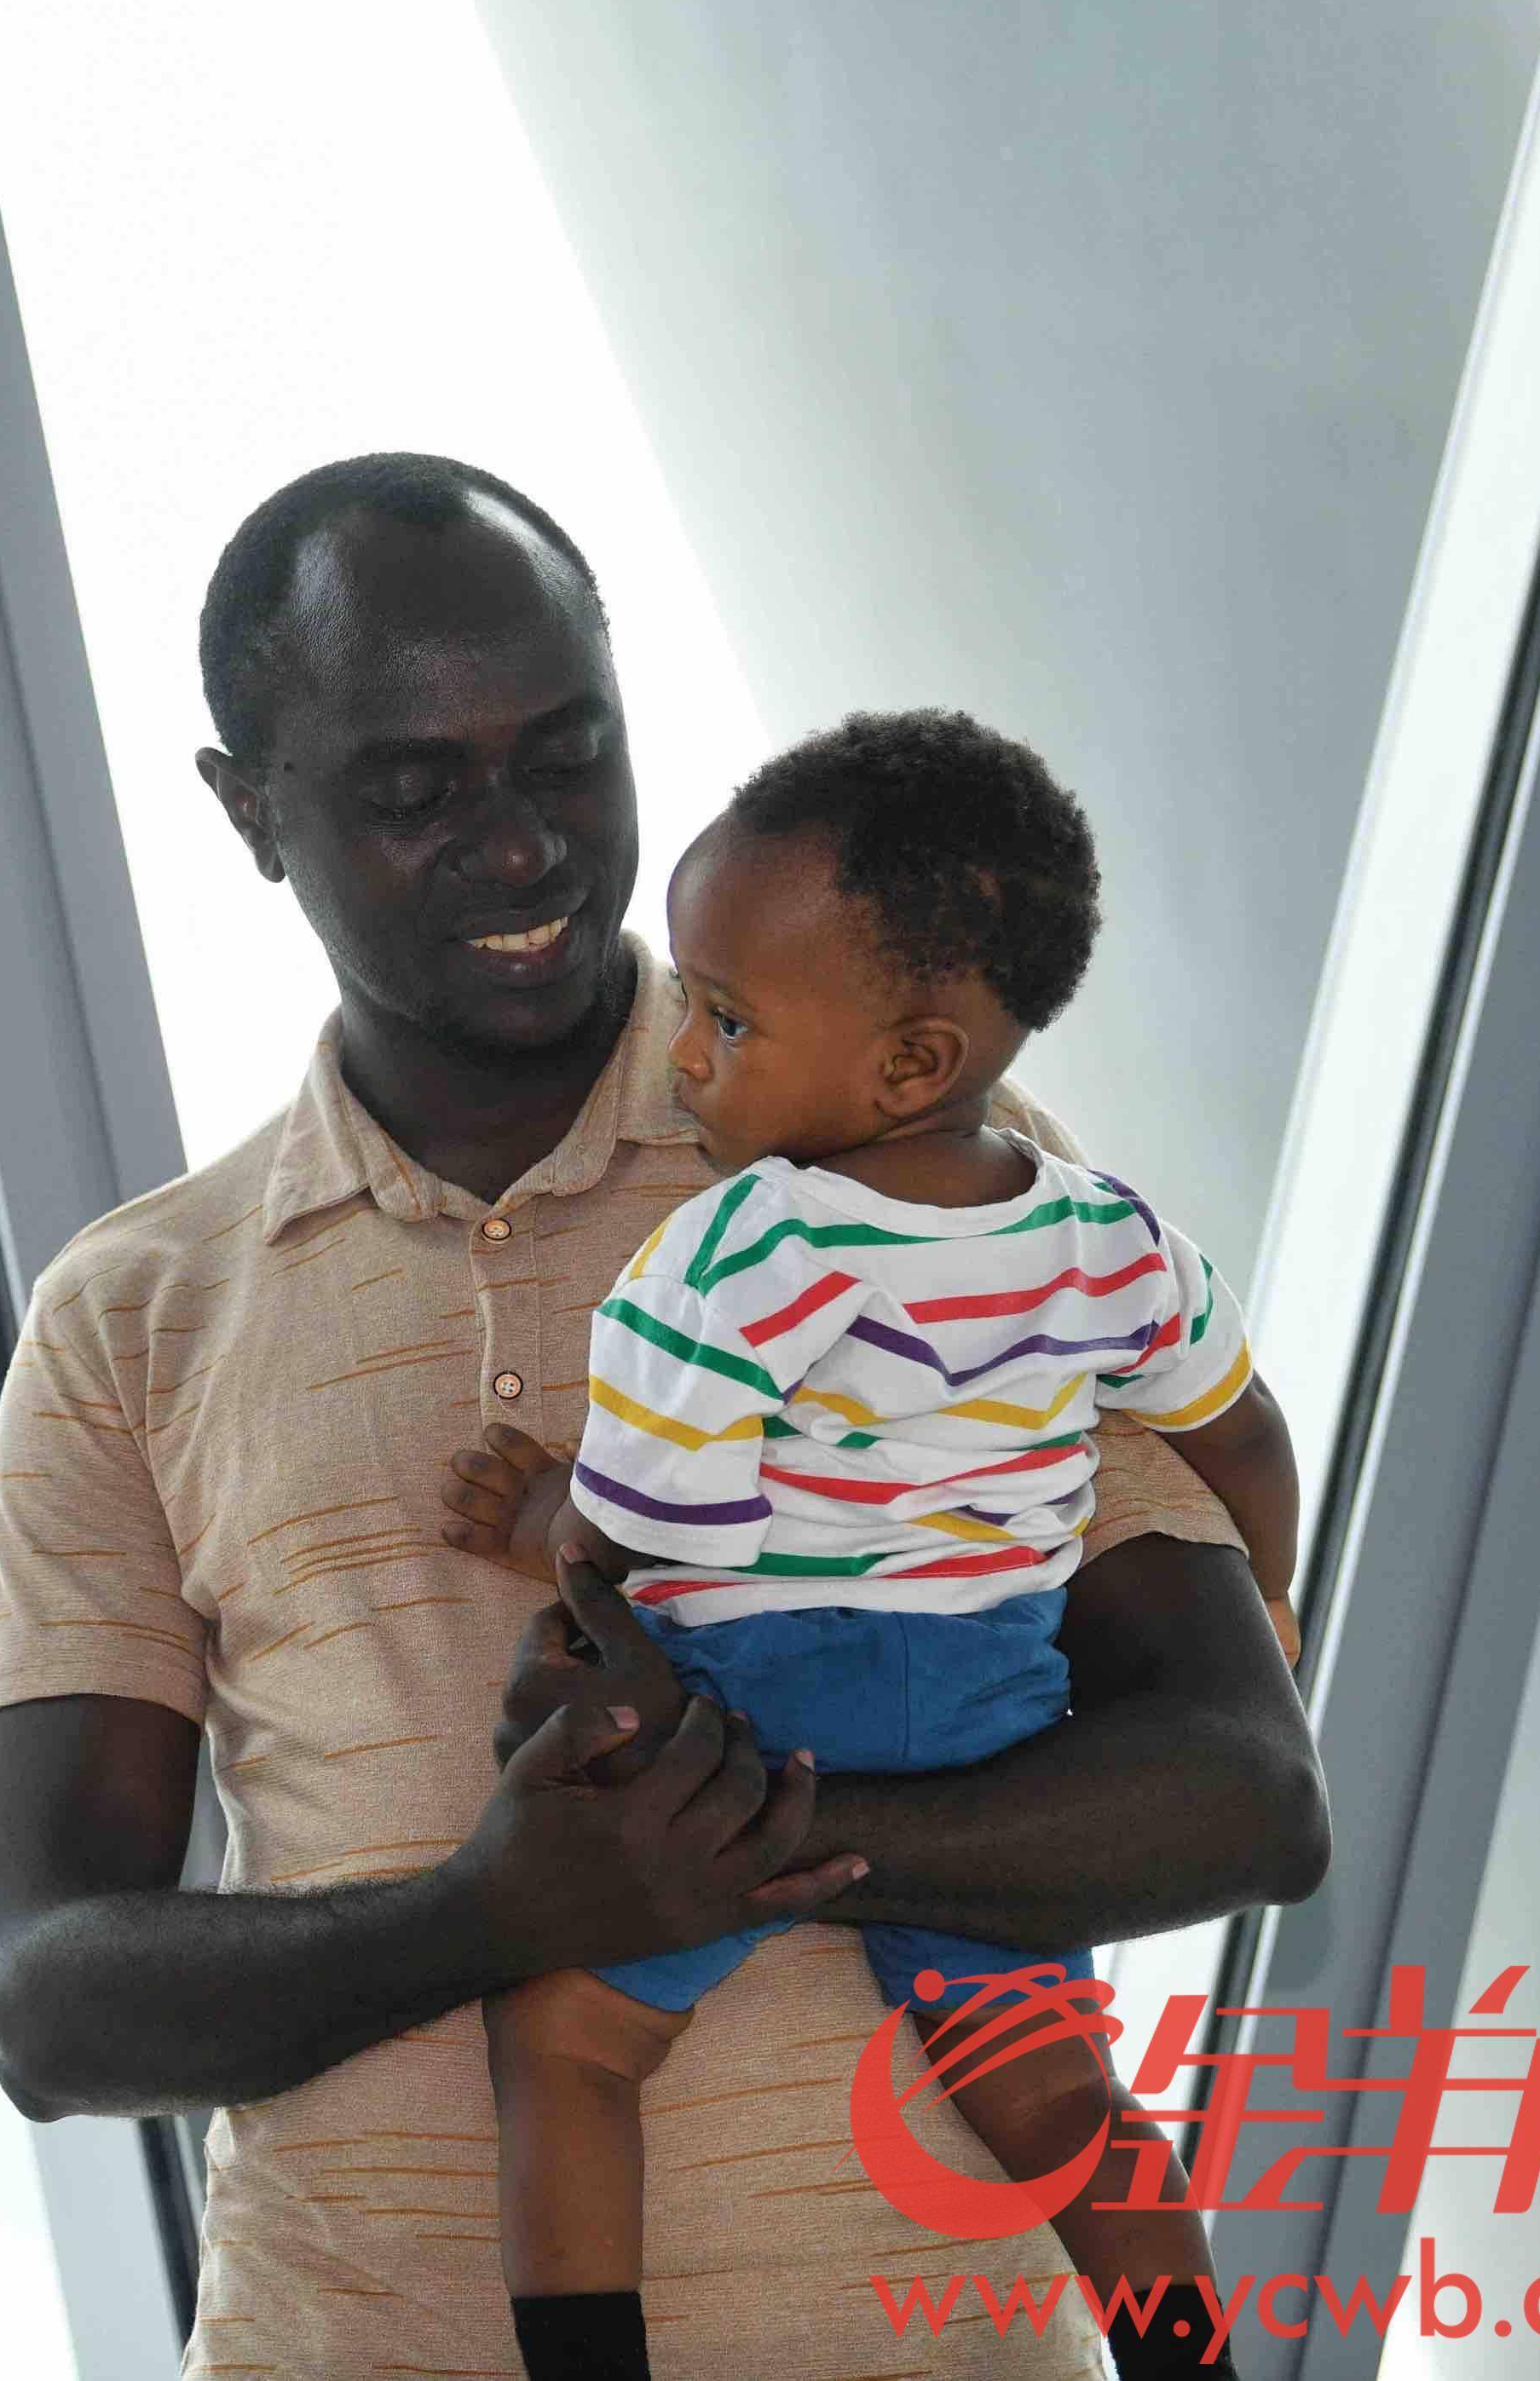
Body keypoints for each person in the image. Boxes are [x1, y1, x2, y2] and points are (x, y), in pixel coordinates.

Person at [0, 454, 1329, 2378]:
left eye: (564, 755)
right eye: (415, 789)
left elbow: (1243, 1795)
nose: (519, 845)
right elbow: (54, 2004)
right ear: (247, 810)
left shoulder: (932, 1174)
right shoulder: (133, 1315)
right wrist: (483, 1912)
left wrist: (731, 1842)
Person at [439, 710, 1300, 2381]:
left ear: (905, 1062)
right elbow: (1238, 1434)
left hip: (765, 1705)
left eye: (727, 1017)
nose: (684, 1054)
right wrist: (1264, 1586)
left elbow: (652, 1536)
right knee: (1054, 2088)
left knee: (562, 2043)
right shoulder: (1103, 1233)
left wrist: (543, 1519)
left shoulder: (743, 1249)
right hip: (988, 1702)